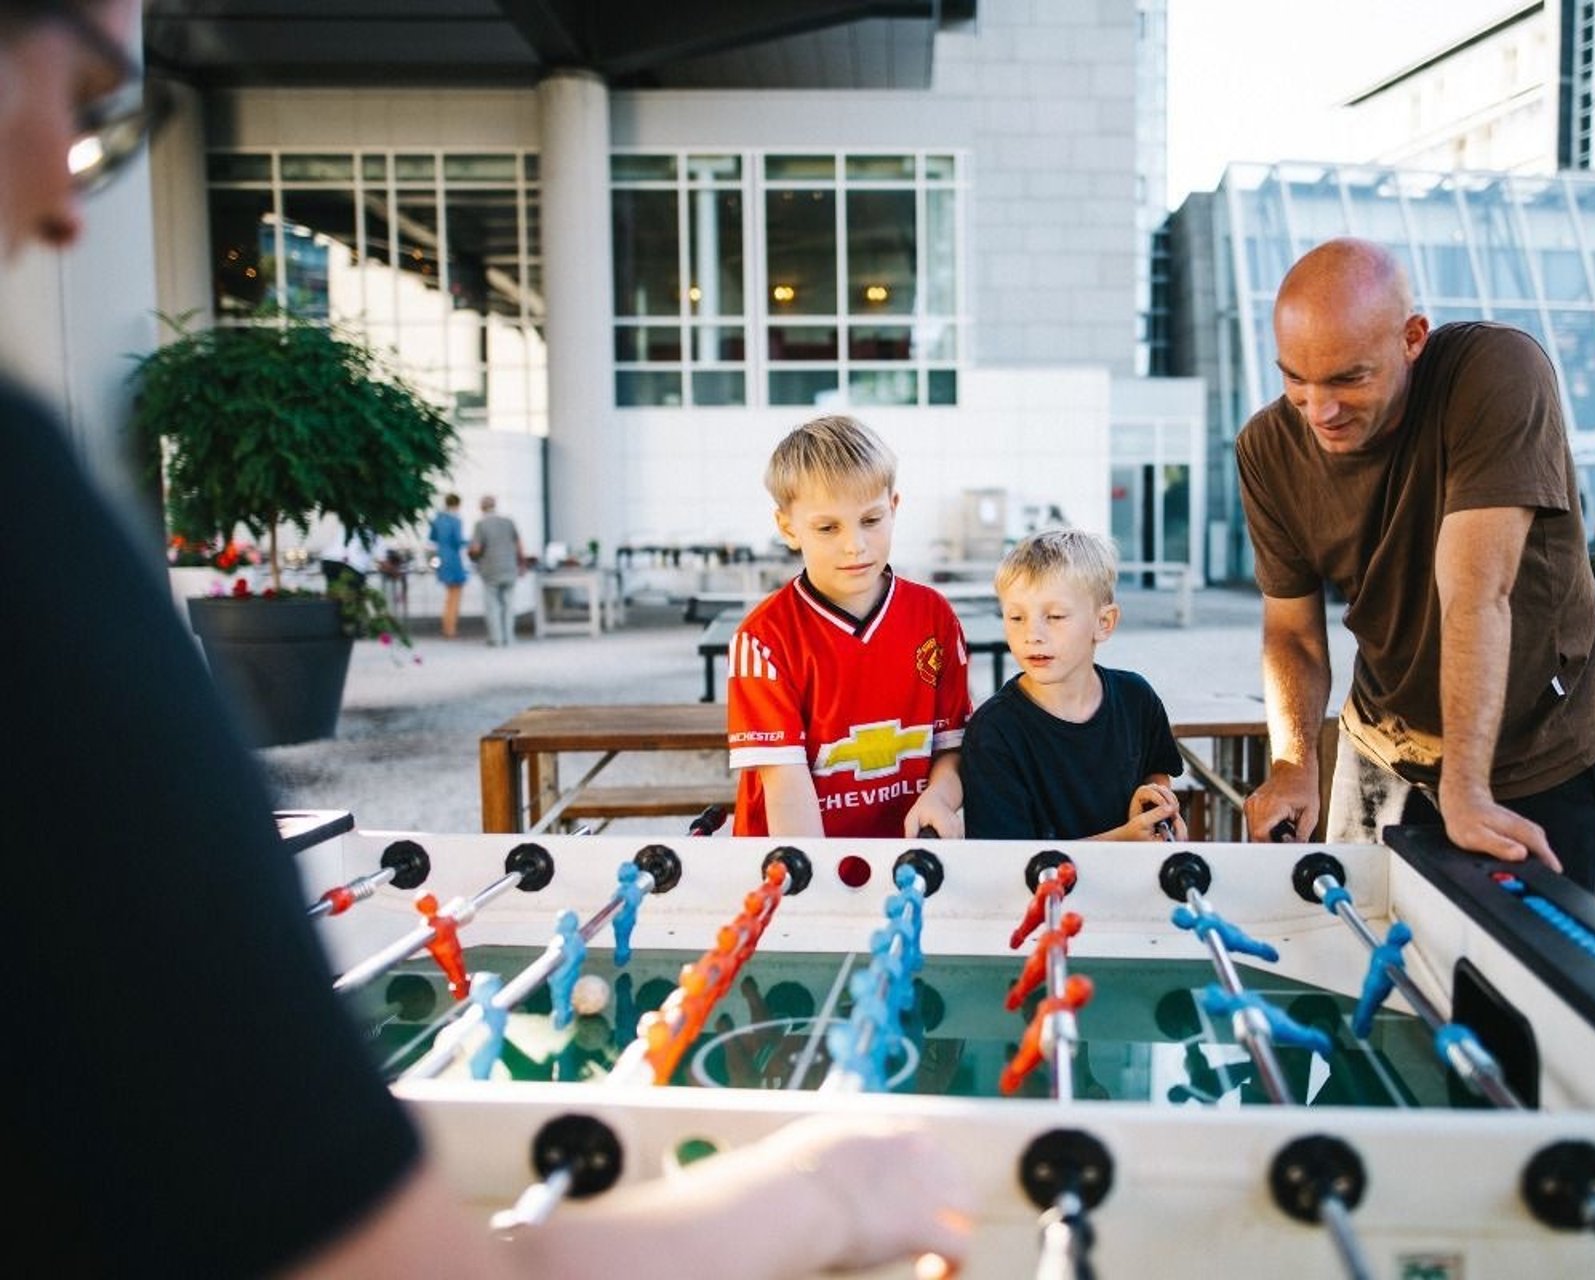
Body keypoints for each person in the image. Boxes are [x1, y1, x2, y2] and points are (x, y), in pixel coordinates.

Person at [0, 5, 975, 1276]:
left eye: (109, 122)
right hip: (797, 890)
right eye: (82, 96)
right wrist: (826, 1194)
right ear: (788, 527)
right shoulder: (30, 519)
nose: (72, 208)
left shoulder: (931, 618)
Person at [1236, 237, 1595, 891]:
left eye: (1348, 378)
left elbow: (1475, 593)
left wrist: (1466, 787)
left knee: (1516, 957)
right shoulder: (1266, 449)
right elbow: (1293, 634)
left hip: (1534, 752)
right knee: (1359, 942)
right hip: (1381, 749)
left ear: (1412, 338)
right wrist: (1294, 763)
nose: (1319, 410)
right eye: (1295, 378)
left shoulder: (1496, 373)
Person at [726, 414, 970, 838]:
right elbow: (786, 788)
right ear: (788, 527)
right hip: (799, 863)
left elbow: (951, 749)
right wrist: (816, 876)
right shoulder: (763, 640)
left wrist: (940, 798)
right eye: (828, 528)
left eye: (871, 521)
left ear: (893, 507)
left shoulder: (934, 617)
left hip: (904, 860)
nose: (854, 545)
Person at [960, 528, 1187, 841]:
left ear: (1104, 623)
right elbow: (1010, 860)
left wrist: (1157, 810)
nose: (1032, 635)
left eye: (1054, 616)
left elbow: (1156, 769)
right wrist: (1125, 840)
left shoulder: (1137, 698)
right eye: (1016, 617)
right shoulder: (993, 732)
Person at [467, 493, 526, 647]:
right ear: (495, 506)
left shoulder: (480, 525)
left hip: (491, 570)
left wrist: (471, 555)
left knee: (492, 605)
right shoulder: (508, 522)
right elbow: (519, 545)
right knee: (509, 604)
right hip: (510, 568)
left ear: (481, 508)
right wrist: (522, 564)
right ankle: (509, 638)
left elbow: (476, 549)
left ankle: (496, 639)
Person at [427, 492, 468, 639]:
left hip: (441, 558)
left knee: (449, 595)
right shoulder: (456, 521)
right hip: (453, 559)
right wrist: (471, 542)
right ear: (457, 505)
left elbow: (432, 538)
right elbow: (458, 541)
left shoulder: (437, 519)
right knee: (455, 595)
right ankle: (450, 629)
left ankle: (447, 626)